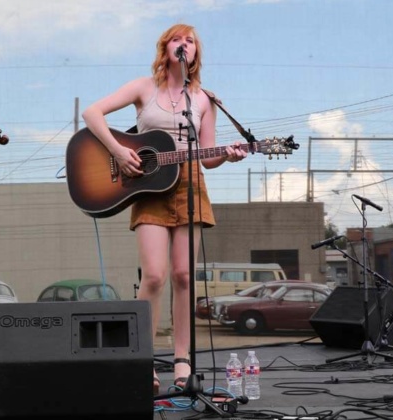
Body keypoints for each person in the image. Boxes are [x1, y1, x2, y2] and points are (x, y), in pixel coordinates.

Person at [82, 23, 247, 393]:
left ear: (196, 52)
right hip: (150, 186)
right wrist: (117, 150)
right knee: (154, 276)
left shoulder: (204, 99)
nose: (184, 44)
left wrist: (228, 155)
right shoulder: (144, 87)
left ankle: (182, 359)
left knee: (185, 276)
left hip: (190, 184)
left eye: (190, 40)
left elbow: (208, 157)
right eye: (177, 39)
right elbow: (92, 113)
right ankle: (142, 358)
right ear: (165, 47)